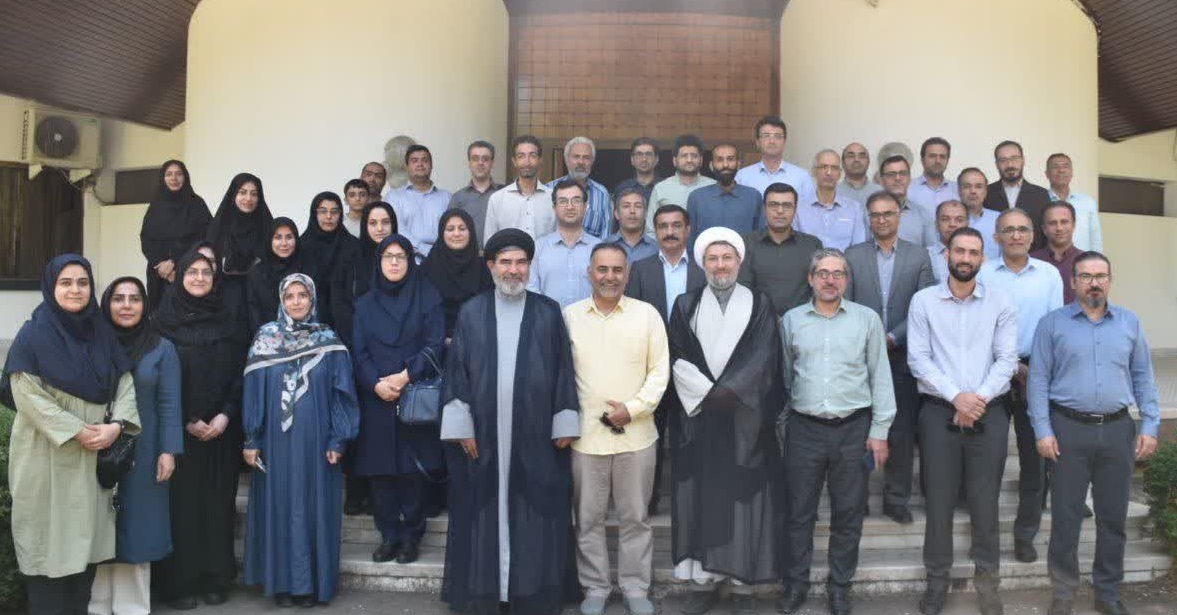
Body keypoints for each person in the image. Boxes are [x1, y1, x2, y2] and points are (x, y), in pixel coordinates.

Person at [440, 228, 580, 615]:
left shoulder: (547, 311)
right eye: (505, 262)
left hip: (535, 433)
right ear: (491, 266)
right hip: (484, 434)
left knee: (534, 510)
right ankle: (488, 591)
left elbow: (563, 368)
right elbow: (457, 372)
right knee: (484, 511)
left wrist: (564, 422)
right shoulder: (472, 312)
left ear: (529, 266)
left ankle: (530, 591)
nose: (513, 270)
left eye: (520, 262)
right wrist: (462, 427)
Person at [2, 255, 139, 615]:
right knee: (46, 549)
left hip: (92, 458)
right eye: (66, 282)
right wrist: (76, 430)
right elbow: (26, 394)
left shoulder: (102, 333)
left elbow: (124, 382)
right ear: (51, 287)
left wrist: (116, 426)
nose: (75, 290)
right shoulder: (32, 335)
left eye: (82, 282)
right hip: (45, 457)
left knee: (84, 551)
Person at [1028, 252, 1160, 615]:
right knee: (1066, 517)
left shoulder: (1129, 322)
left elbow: (1143, 376)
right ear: (1073, 282)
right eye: (1086, 276)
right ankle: (1063, 593)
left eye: (1101, 276)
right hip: (1067, 430)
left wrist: (1150, 425)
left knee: (1113, 517)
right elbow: (1038, 381)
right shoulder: (1052, 324)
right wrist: (1042, 430)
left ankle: (1108, 593)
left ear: (1110, 280)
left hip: (1118, 430)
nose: (1094, 283)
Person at [668, 227, 783, 615]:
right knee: (701, 497)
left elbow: (764, 356)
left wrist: (730, 393)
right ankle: (702, 582)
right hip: (700, 419)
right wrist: (708, 394)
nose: (720, 265)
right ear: (702, 263)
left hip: (745, 419)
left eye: (727, 258)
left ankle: (741, 583)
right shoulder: (686, 304)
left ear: (739, 261)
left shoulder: (760, 303)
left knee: (742, 498)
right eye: (713, 259)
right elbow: (677, 356)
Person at [907, 227, 1018, 615]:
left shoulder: (1001, 302)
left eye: (973, 252)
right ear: (947, 256)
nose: (966, 258)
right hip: (939, 412)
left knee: (986, 503)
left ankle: (987, 584)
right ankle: (937, 582)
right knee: (938, 503)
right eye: (959, 251)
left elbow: (1007, 359)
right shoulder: (923, 302)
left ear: (983, 258)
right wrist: (957, 397)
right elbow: (918, 359)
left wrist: (976, 400)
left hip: (990, 411)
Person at [779, 249, 895, 615]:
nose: (830, 280)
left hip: (853, 430)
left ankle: (840, 586)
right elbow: (784, 376)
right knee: (798, 513)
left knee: (848, 513)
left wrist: (880, 430)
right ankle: (795, 584)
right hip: (804, 429)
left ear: (846, 279)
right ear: (810, 278)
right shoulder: (791, 321)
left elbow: (880, 376)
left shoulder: (867, 319)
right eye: (823, 273)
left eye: (838, 273)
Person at [242, 273, 360, 607]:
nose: (296, 302)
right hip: (275, 444)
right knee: (279, 507)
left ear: (312, 299)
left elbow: (342, 393)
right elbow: (254, 392)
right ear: (281, 300)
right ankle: (281, 583)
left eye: (302, 295)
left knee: (312, 508)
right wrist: (251, 438)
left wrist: (338, 439)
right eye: (289, 296)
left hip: (316, 444)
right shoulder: (265, 339)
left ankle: (310, 586)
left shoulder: (328, 341)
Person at [566, 243, 669, 615]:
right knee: (587, 520)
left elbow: (660, 371)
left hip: (637, 437)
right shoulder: (570, 317)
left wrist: (634, 409)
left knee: (635, 518)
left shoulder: (647, 316)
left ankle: (635, 586)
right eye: (602, 269)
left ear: (627, 274)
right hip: (585, 438)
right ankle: (595, 587)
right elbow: (561, 375)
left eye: (617, 270)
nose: (609, 277)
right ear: (589, 273)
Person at [152, 249, 248, 610]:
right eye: (191, 271)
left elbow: (241, 373)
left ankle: (215, 578)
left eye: (206, 272)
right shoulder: (161, 323)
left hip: (222, 432)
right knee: (182, 508)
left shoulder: (229, 320)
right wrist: (187, 419)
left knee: (218, 506)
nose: (199, 278)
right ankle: (179, 583)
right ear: (179, 276)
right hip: (179, 434)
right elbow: (156, 379)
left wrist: (225, 415)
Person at [350, 235, 445, 565]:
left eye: (400, 257)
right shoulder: (364, 304)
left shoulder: (428, 297)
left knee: (412, 472)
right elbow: (358, 351)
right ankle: (389, 535)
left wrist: (405, 377)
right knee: (381, 472)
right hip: (377, 398)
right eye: (387, 256)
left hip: (414, 395)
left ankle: (411, 537)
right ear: (378, 262)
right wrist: (376, 384)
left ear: (410, 261)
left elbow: (435, 345)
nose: (393, 262)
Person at [89, 277, 182, 615]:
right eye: (118, 298)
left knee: (138, 527)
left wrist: (168, 450)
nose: (126, 306)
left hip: (145, 450)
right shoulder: (93, 344)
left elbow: (169, 403)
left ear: (145, 305)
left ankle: (132, 608)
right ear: (106, 304)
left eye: (134, 299)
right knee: (100, 526)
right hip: (98, 446)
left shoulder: (161, 348)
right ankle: (99, 606)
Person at [979, 207, 1064, 565]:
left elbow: (1055, 326)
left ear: (1032, 235)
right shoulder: (983, 273)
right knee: (989, 461)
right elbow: (975, 326)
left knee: (1035, 461)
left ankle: (1025, 535)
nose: (1015, 235)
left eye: (1022, 229)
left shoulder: (1048, 274)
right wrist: (1010, 364)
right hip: (990, 374)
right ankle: (984, 538)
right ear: (996, 236)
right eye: (1008, 229)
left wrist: (1035, 368)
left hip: (1036, 374)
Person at [844, 192, 936, 525]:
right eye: (875, 214)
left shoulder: (919, 255)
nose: (881, 219)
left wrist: (893, 337)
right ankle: (858, 498)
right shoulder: (852, 256)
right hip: (859, 356)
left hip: (902, 356)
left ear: (899, 216)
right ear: (868, 219)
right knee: (859, 428)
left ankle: (896, 498)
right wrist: (869, 340)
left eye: (888, 213)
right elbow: (846, 305)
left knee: (901, 429)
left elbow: (923, 306)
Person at [624, 204, 706, 515]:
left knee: (691, 437)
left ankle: (690, 502)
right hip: (651, 368)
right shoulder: (640, 269)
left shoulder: (703, 269)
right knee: (649, 436)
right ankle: (648, 500)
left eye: (676, 225)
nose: (670, 232)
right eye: (663, 226)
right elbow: (631, 318)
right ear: (654, 231)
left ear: (688, 230)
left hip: (693, 367)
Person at [205, 172, 275, 341]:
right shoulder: (219, 227)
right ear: (233, 195)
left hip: (260, 300)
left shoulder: (267, 226)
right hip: (225, 302)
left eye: (254, 194)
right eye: (242, 192)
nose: (248, 198)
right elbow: (210, 265)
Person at [737, 182, 823, 317]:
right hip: (758, 321)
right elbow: (743, 289)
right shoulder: (746, 243)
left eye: (787, 205)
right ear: (764, 209)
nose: (780, 211)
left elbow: (819, 288)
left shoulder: (812, 245)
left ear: (795, 209)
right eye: (773, 205)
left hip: (803, 322)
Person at [139, 159, 211, 309]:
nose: (174, 178)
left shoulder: (197, 204)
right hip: (159, 274)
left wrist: (177, 264)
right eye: (169, 174)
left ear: (185, 177)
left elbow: (206, 238)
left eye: (178, 174)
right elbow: (146, 239)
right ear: (163, 178)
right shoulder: (156, 205)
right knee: (159, 313)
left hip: (190, 272)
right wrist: (160, 264)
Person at [330, 201, 397, 348]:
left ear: (393, 224)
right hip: (358, 338)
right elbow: (339, 303)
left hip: (398, 339)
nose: (380, 228)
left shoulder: (402, 257)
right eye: (373, 223)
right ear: (365, 226)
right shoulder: (350, 256)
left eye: (386, 222)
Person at [528, 180, 602, 308]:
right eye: (563, 201)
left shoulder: (599, 248)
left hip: (590, 319)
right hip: (548, 319)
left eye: (576, 201)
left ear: (585, 206)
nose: (570, 207)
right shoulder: (538, 248)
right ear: (554, 208)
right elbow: (531, 290)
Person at [422, 209, 495, 339]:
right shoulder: (427, 268)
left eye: (462, 229)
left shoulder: (485, 269)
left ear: (471, 232)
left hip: (477, 338)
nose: (456, 234)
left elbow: (490, 310)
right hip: (435, 340)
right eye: (450, 229)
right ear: (441, 233)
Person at [686, 143, 763, 249]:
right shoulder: (697, 198)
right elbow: (690, 240)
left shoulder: (753, 197)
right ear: (712, 165)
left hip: (746, 259)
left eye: (730, 159)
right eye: (720, 160)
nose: (725, 165)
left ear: (738, 164)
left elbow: (759, 237)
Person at [300, 191, 358, 329]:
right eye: (323, 211)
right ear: (314, 214)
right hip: (310, 321)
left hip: (347, 319)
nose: (328, 216)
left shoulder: (353, 245)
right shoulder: (301, 246)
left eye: (334, 211)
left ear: (340, 214)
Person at [484, 135, 555, 241]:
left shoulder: (553, 198)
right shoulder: (497, 199)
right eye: (521, 156)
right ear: (514, 161)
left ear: (540, 160)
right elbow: (489, 241)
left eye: (532, 156)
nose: (527, 162)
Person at [984, 140, 1051, 251]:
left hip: (1033, 258)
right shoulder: (986, 193)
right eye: (1003, 160)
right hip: (995, 258)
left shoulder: (1041, 195)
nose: (1010, 165)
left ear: (1023, 160)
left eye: (1014, 158)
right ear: (996, 164)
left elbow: (1046, 234)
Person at [794, 149, 867, 250]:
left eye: (834, 168)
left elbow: (859, 248)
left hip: (845, 260)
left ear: (840, 174)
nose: (829, 173)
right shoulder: (798, 208)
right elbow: (795, 248)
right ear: (814, 171)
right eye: (824, 167)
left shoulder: (854, 208)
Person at [388, 144, 452, 259]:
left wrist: (438, 252)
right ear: (407, 167)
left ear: (431, 165)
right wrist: (425, 249)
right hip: (406, 259)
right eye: (414, 161)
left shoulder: (446, 197)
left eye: (425, 160)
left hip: (441, 258)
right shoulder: (394, 197)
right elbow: (398, 228)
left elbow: (452, 228)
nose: (420, 164)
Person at [735, 116, 815, 205]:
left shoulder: (802, 176)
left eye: (778, 136)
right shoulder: (742, 177)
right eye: (766, 136)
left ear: (784, 142)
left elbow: (810, 210)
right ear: (757, 142)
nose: (772, 141)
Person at [546, 136, 612, 239]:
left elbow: (606, 236)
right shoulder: (549, 190)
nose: (581, 162)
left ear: (592, 161)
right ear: (567, 160)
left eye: (586, 157)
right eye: (576, 157)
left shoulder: (602, 194)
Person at [245, 217, 302, 335]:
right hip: (268, 338)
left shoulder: (307, 268)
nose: (284, 243)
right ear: (269, 240)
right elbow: (253, 313)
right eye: (278, 237)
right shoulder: (257, 273)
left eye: (289, 237)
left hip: (306, 337)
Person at [647, 134, 716, 230]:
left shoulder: (714, 186)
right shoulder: (661, 189)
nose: (689, 160)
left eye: (694, 156)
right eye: (684, 156)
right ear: (674, 161)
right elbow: (650, 229)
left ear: (701, 160)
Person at [449, 140, 504, 243]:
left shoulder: (504, 194)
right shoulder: (458, 198)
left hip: (499, 252)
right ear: (469, 163)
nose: (480, 163)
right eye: (475, 159)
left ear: (492, 163)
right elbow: (450, 232)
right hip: (468, 253)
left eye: (485, 159)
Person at [1045, 153, 1102, 252]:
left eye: (1066, 166)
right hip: (1048, 259)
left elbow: (1095, 238)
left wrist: (1097, 259)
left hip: (1083, 259)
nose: (1061, 170)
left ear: (1071, 173)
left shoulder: (1087, 202)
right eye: (1055, 167)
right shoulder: (1040, 200)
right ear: (1047, 174)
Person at [1030, 201, 1083, 304]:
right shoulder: (1031, 261)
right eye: (1052, 223)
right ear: (1044, 229)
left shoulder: (1086, 261)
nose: (1059, 228)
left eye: (1064, 222)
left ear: (1073, 225)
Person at [878, 156, 937, 247]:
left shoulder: (923, 214)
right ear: (882, 181)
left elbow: (931, 251)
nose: (898, 178)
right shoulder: (869, 214)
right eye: (891, 174)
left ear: (909, 179)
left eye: (903, 173)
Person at [602, 187, 659, 263]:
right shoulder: (605, 246)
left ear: (646, 214)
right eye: (626, 206)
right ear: (616, 213)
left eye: (638, 206)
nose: (632, 211)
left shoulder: (656, 248)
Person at [906, 138, 957, 217]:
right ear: (922, 160)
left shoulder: (957, 190)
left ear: (947, 160)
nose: (937, 161)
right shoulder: (907, 188)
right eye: (932, 156)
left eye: (942, 157)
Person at [958, 167, 1001, 260]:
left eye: (978, 186)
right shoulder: (950, 221)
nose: (973, 191)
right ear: (959, 191)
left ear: (985, 191)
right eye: (967, 186)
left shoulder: (1000, 219)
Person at [927, 200, 969, 284]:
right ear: (936, 224)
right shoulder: (925, 255)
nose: (952, 224)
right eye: (945, 219)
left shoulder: (977, 256)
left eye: (959, 220)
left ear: (967, 225)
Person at [614, 137, 661, 206]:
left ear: (656, 159)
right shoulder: (622, 188)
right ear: (632, 160)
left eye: (648, 154)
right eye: (639, 154)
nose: (644, 159)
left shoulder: (666, 187)